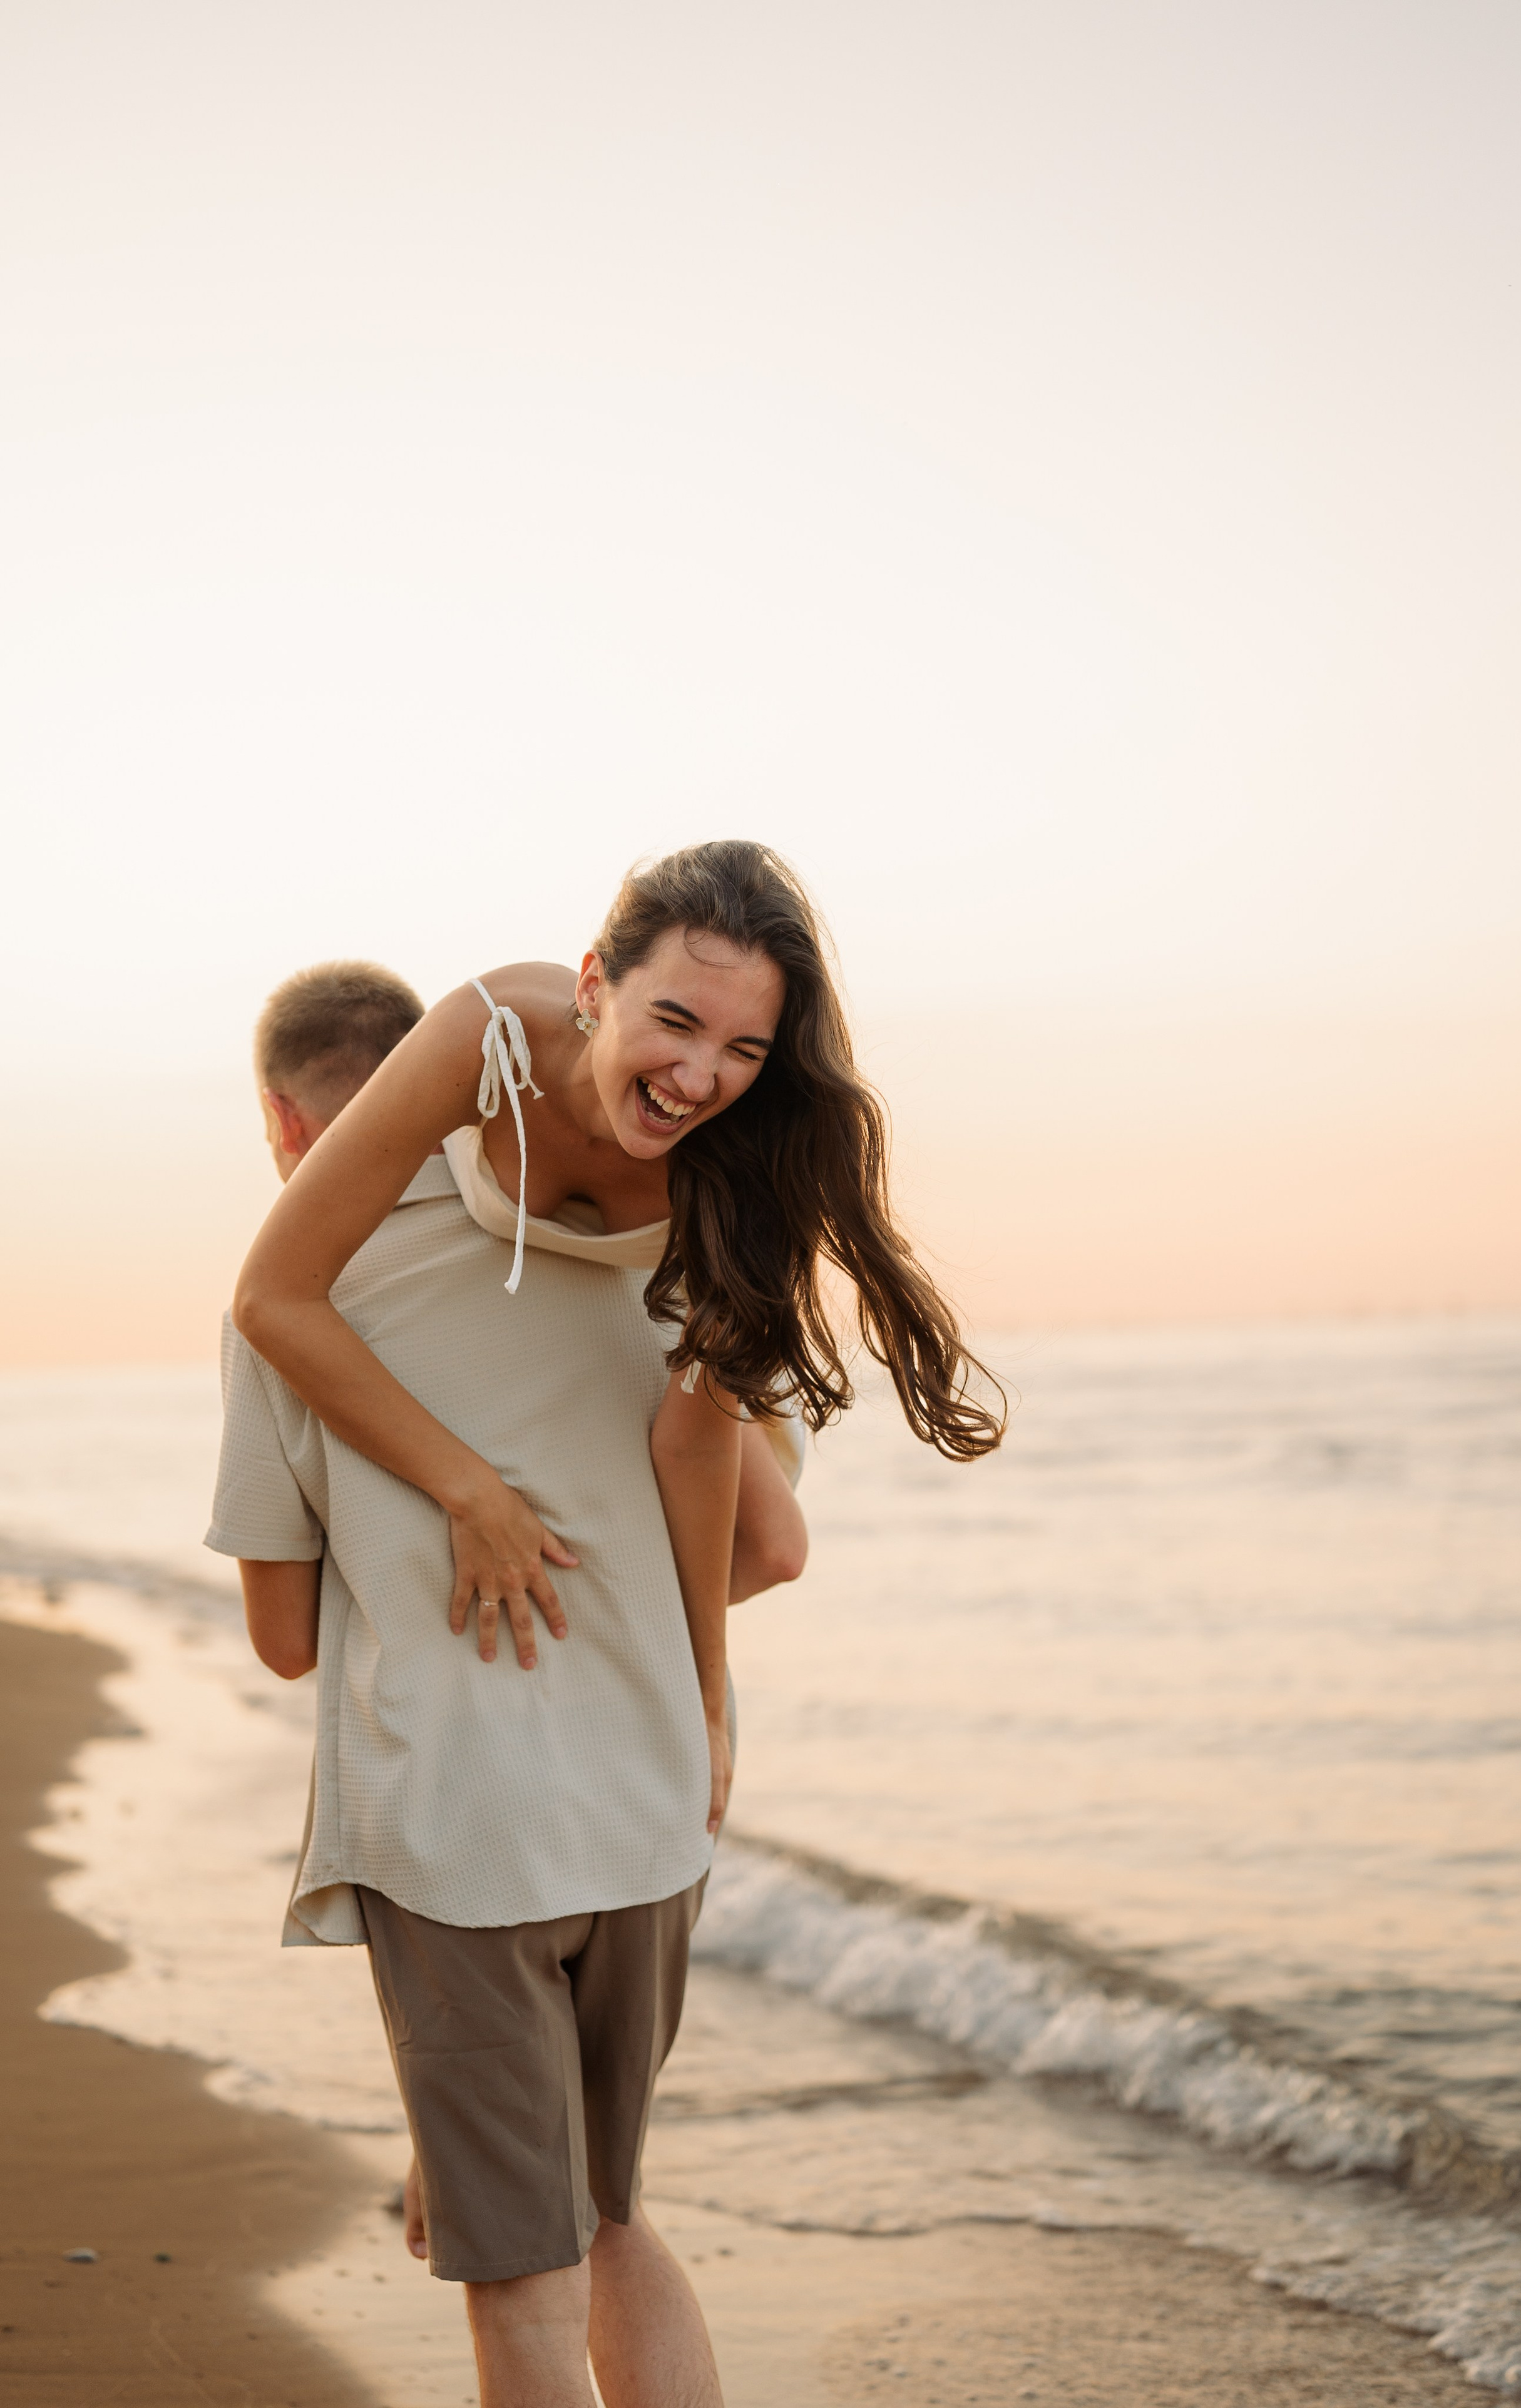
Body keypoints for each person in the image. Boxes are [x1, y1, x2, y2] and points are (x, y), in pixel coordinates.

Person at [232, 844, 1004, 2407]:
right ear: (591, 981)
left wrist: (707, 1705)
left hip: (545, 1797)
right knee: (602, 2217)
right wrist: (467, 1494)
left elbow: (695, 1443)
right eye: (674, 1021)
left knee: (542, 2263)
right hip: (582, 1798)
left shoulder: (736, 1176)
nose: (703, 1074)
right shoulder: (486, 1034)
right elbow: (282, 1289)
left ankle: (468, 2136)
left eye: (744, 1049)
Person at [249, 957, 807, 1596]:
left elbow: (285, 1644)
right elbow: (773, 1549)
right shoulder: (566, 1215)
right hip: (637, 1642)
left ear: (282, 1116)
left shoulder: (308, 1297)